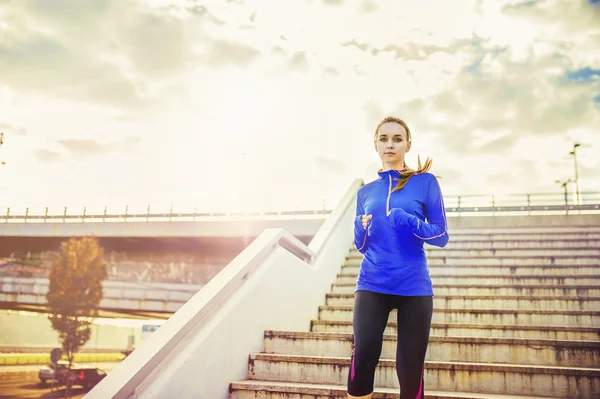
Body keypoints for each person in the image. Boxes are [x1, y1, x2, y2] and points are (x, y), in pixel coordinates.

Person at [347, 116, 449, 399]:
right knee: (363, 356)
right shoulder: (365, 192)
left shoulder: (425, 183)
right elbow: (362, 245)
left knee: (410, 367)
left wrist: (411, 222)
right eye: (383, 139)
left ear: (407, 145)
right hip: (372, 283)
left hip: (413, 286)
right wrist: (359, 228)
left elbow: (441, 235)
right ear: (375, 145)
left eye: (397, 139)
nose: (389, 144)